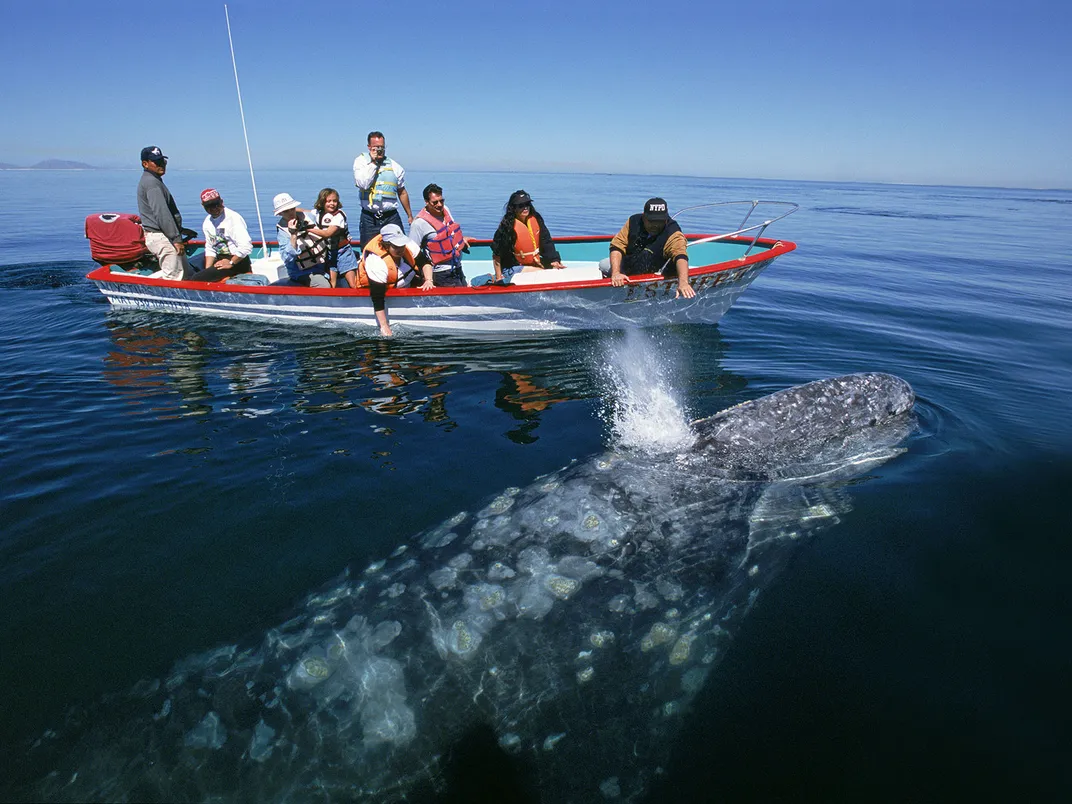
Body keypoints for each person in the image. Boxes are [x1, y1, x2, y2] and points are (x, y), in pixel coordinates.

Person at [602, 197, 696, 299]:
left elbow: (680, 255)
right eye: (651, 221)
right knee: (604, 264)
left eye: (659, 221)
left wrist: (683, 283)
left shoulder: (672, 233)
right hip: (629, 269)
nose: (655, 225)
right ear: (644, 217)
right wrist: (616, 273)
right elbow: (617, 245)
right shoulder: (633, 221)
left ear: (666, 219)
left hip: (652, 276)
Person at [360, 223, 433, 337]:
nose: (401, 249)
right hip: (383, 290)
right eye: (396, 246)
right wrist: (384, 326)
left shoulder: (408, 245)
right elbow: (377, 298)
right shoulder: (376, 262)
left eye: (402, 245)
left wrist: (429, 280)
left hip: (407, 282)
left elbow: (425, 263)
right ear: (386, 245)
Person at [136, 145, 191, 281]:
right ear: (145, 164)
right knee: (173, 277)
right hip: (161, 237)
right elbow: (162, 213)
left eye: (163, 161)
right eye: (157, 162)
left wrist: (180, 231)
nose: (162, 165)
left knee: (186, 273)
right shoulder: (152, 184)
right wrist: (176, 239)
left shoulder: (154, 181)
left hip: (166, 235)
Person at [490, 190, 566, 283]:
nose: (525, 208)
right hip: (512, 267)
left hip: (534, 262)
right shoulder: (507, 227)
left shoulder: (536, 220)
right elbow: (497, 254)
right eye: (521, 206)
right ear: (513, 208)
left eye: (527, 204)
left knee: (558, 270)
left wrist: (554, 260)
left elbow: (546, 241)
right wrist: (499, 278)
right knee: (542, 274)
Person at [353, 131, 413, 246]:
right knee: (369, 249)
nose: (379, 150)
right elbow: (363, 184)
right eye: (375, 148)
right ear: (369, 147)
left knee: (401, 248)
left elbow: (402, 192)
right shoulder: (361, 162)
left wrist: (409, 216)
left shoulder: (396, 167)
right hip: (369, 217)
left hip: (390, 216)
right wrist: (374, 162)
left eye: (382, 147)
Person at [409, 183, 472, 287]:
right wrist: (425, 277)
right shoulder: (418, 224)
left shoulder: (446, 210)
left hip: (457, 268)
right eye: (435, 202)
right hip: (441, 274)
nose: (439, 205)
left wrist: (461, 238)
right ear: (426, 202)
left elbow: (450, 232)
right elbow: (412, 252)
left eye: (441, 201)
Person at [194, 188, 253, 282]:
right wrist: (207, 271)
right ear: (203, 206)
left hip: (237, 261)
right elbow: (210, 248)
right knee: (199, 275)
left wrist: (231, 262)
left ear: (222, 201)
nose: (214, 209)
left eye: (216, 204)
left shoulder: (233, 218)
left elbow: (246, 246)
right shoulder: (207, 222)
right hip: (221, 260)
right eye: (209, 206)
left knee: (195, 280)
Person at [273, 192, 330, 287]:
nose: (291, 213)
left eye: (292, 209)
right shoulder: (283, 232)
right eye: (286, 211)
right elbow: (287, 258)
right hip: (302, 272)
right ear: (280, 213)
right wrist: (293, 234)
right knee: (324, 286)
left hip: (324, 263)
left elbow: (323, 216)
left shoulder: (308, 216)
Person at [309, 188, 359, 289]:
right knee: (332, 284)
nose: (332, 204)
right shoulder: (318, 213)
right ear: (322, 202)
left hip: (343, 252)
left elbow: (328, 233)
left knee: (353, 284)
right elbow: (305, 211)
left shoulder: (339, 216)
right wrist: (292, 211)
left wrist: (308, 230)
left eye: (335, 201)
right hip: (329, 253)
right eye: (329, 201)